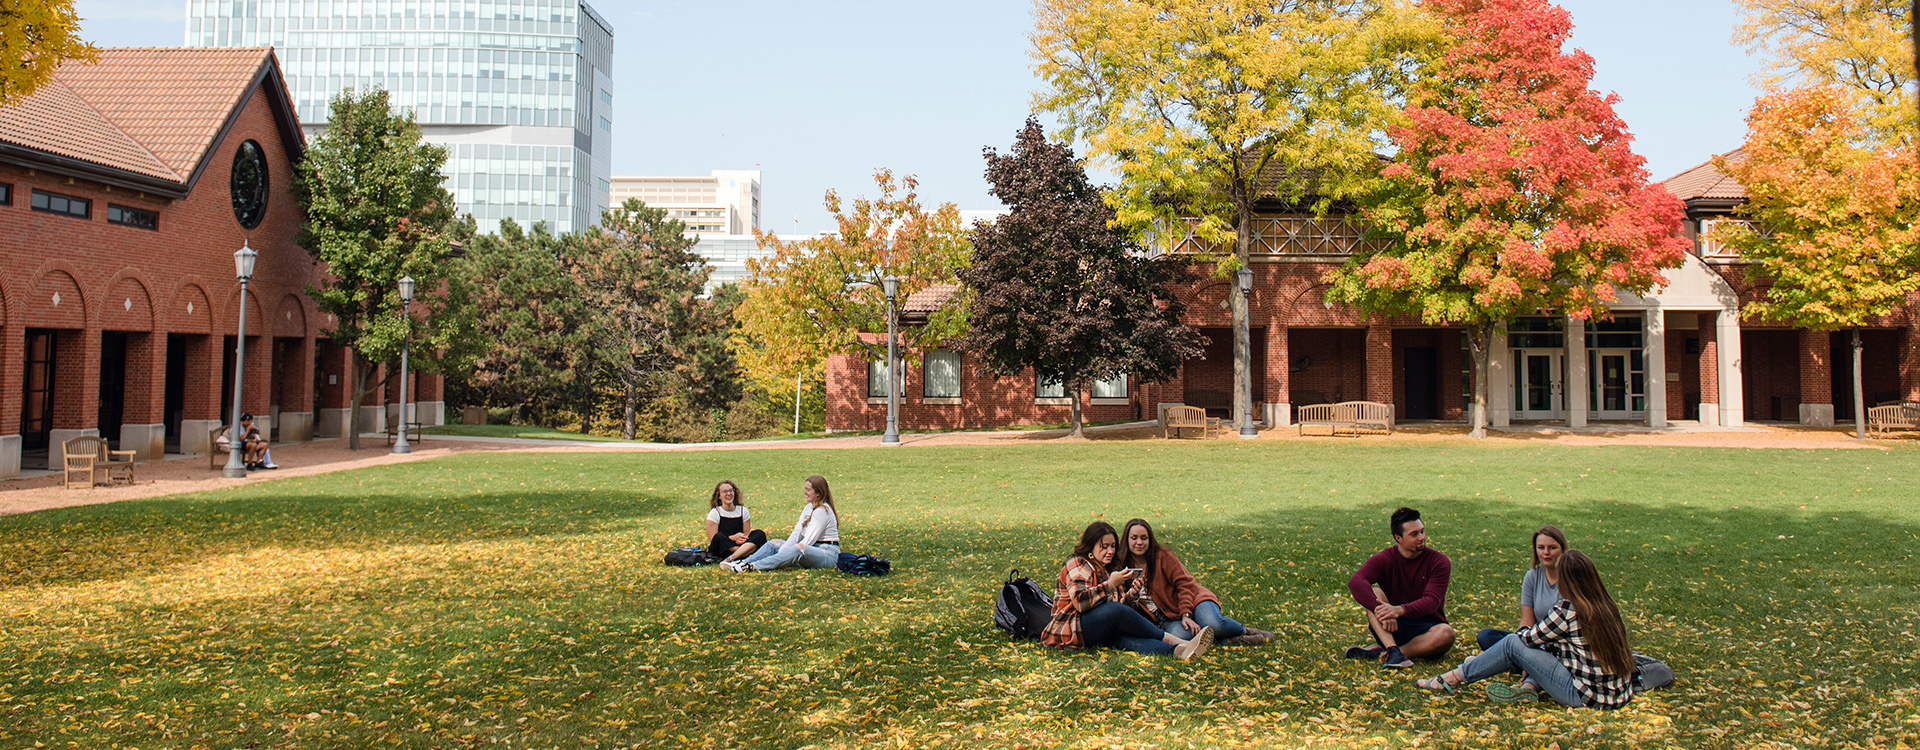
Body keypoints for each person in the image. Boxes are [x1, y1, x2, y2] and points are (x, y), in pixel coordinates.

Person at [1413, 550, 1638, 709]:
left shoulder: (1568, 609)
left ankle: (1453, 677)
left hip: (1584, 696)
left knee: (1512, 643)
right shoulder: (1605, 604)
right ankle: (1527, 684)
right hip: (1618, 693)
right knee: (1533, 645)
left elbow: (1529, 638)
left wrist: (1520, 641)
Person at [1040, 521, 1214, 660]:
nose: (1110, 551)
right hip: (1071, 628)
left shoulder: (1107, 569)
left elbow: (1116, 609)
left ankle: (1179, 651)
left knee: (1126, 639)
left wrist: (1131, 595)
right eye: (1104, 546)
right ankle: (1173, 639)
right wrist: (1110, 584)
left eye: (1113, 546)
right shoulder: (1079, 564)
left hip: (1096, 628)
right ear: (1091, 546)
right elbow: (1080, 602)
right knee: (1116, 613)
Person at [1119, 518, 1274, 646]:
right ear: (1127, 539)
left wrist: (1186, 614)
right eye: (1134, 538)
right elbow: (1123, 605)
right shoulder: (1122, 566)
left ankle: (1245, 631)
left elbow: (1185, 583)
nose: (1139, 542)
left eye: (1143, 538)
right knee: (1182, 637)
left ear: (1150, 539)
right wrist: (1132, 594)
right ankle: (1228, 640)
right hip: (1168, 618)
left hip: (1193, 600)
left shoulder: (1162, 557)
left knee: (1214, 624)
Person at [1344, 507, 1455, 669]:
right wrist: (1380, 610)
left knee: (1447, 634)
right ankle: (1391, 649)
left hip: (1427, 630)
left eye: (1422, 531)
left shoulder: (1438, 561)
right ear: (1398, 538)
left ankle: (1390, 653)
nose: (1422, 538)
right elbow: (1356, 581)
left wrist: (1398, 610)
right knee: (1374, 593)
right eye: (1414, 534)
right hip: (1391, 626)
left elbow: (1431, 601)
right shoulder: (1386, 558)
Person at [1474, 526, 1568, 700]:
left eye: (1552, 548)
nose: (1546, 553)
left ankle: (1529, 684)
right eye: (1541, 548)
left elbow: (1564, 631)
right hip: (1533, 639)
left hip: (1560, 646)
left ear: (1563, 549)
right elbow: (1526, 622)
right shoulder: (1532, 576)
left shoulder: (1570, 580)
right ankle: (1525, 664)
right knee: (1487, 636)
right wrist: (1527, 650)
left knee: (1550, 654)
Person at [725, 475, 839, 572]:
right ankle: (743, 562)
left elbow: (809, 541)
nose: (805, 492)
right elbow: (797, 533)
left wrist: (783, 553)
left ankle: (751, 567)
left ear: (818, 493)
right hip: (810, 549)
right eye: (805, 489)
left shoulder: (822, 511)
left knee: (799, 548)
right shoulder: (808, 508)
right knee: (774, 543)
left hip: (826, 553)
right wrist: (782, 549)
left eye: (808, 490)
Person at [704, 480, 767, 564]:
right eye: (724, 492)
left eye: (730, 491)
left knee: (760, 534)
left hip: (741, 543)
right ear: (719, 496)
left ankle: (733, 557)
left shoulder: (743, 511)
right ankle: (744, 554)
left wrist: (741, 539)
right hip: (724, 547)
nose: (728, 494)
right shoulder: (715, 513)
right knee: (719, 536)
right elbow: (714, 540)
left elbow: (746, 534)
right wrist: (732, 538)